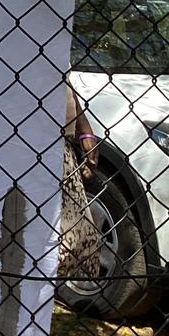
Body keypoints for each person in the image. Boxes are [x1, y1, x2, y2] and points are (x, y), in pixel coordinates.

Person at [59, 84, 101, 278]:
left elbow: (64, 75)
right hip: (10, 142)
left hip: (58, 143)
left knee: (71, 246)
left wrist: (83, 127)